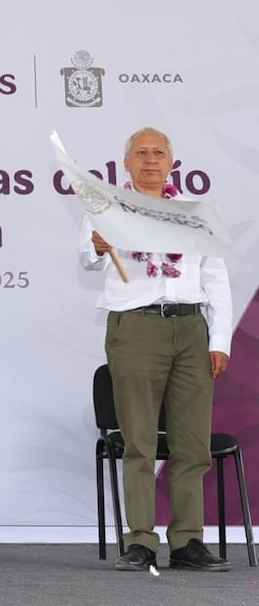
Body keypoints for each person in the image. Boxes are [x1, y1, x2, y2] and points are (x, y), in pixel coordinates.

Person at [80, 127, 232, 572]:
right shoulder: (106, 205)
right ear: (126, 163)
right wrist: (97, 243)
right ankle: (141, 541)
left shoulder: (194, 212)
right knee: (140, 442)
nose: (150, 159)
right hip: (136, 327)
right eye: (141, 153)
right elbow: (88, 256)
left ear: (171, 162)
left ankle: (187, 542)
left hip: (190, 329)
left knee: (192, 443)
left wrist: (219, 339)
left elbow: (216, 278)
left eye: (158, 153)